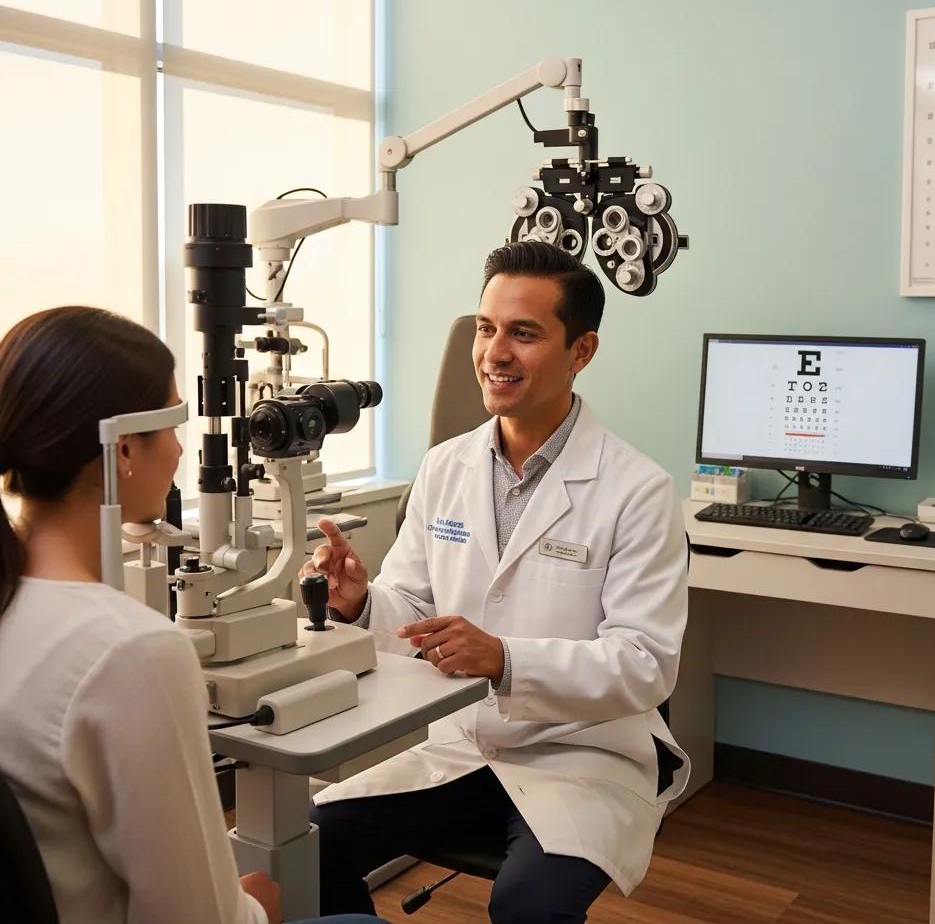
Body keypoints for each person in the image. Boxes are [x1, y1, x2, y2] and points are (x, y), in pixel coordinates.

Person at [306, 241, 690, 923]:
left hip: (583, 755)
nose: (494, 352)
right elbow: (414, 610)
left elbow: (646, 665)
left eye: (524, 332)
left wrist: (508, 659)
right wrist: (361, 603)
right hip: (462, 745)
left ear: (582, 351)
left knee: (527, 908)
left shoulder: (638, 490)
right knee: (308, 847)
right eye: (486, 328)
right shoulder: (445, 467)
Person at [0, 306, 387, 924]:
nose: (183, 449)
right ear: (125, 448)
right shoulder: (132, 651)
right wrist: (256, 906)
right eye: (176, 423)